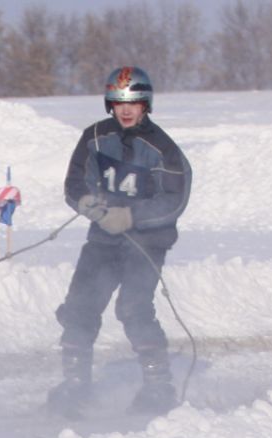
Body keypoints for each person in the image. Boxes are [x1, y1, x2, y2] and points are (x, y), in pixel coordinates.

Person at [46, 65, 192, 418]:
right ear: (109, 104)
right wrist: (88, 204)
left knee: (133, 307)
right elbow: (75, 183)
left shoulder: (162, 149)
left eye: (134, 103)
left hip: (148, 240)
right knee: (79, 306)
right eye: (118, 102)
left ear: (146, 105)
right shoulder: (94, 137)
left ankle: (159, 388)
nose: (126, 110)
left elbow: (173, 200)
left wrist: (131, 216)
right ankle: (76, 386)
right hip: (103, 238)